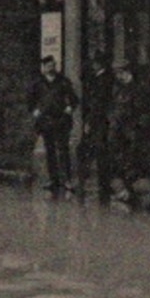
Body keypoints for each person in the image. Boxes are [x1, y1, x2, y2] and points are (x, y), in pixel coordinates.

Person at [30, 55, 79, 195]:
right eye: (48, 66)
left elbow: (74, 99)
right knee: (50, 151)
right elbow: (30, 100)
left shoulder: (63, 81)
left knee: (63, 150)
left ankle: (67, 180)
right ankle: (53, 180)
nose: (51, 68)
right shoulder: (38, 83)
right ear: (43, 68)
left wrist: (69, 108)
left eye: (53, 65)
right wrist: (35, 111)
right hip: (45, 121)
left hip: (61, 120)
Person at [80, 55, 113, 196]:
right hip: (98, 120)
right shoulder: (100, 79)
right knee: (96, 151)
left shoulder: (102, 80)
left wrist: (88, 122)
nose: (93, 65)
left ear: (99, 64)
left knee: (95, 150)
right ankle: (98, 182)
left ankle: (96, 183)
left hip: (97, 121)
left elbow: (96, 104)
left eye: (95, 63)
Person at [108, 63, 141, 201]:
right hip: (118, 129)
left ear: (127, 72)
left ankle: (128, 190)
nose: (118, 76)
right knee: (118, 159)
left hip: (130, 129)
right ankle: (123, 190)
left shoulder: (137, 89)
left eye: (120, 73)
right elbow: (114, 106)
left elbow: (140, 110)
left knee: (129, 160)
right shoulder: (118, 89)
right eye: (116, 73)